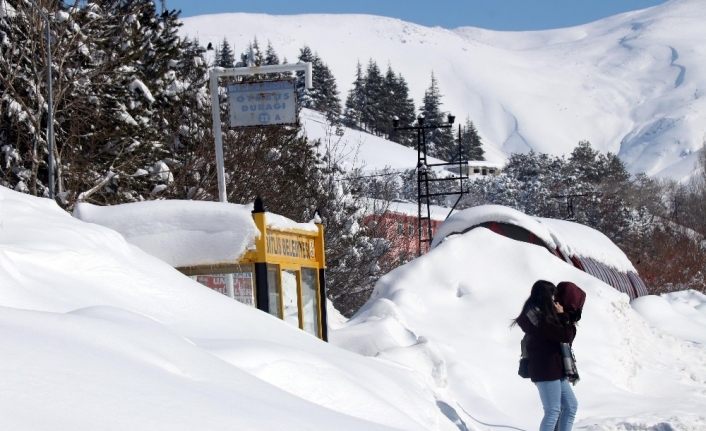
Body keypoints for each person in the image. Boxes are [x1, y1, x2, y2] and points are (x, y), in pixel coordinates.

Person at [514, 280, 578, 431]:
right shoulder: (540, 319)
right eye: (553, 297)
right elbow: (566, 335)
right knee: (553, 411)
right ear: (545, 297)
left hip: (555, 369)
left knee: (570, 406)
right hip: (546, 370)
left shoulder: (540, 316)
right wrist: (563, 316)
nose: (555, 301)